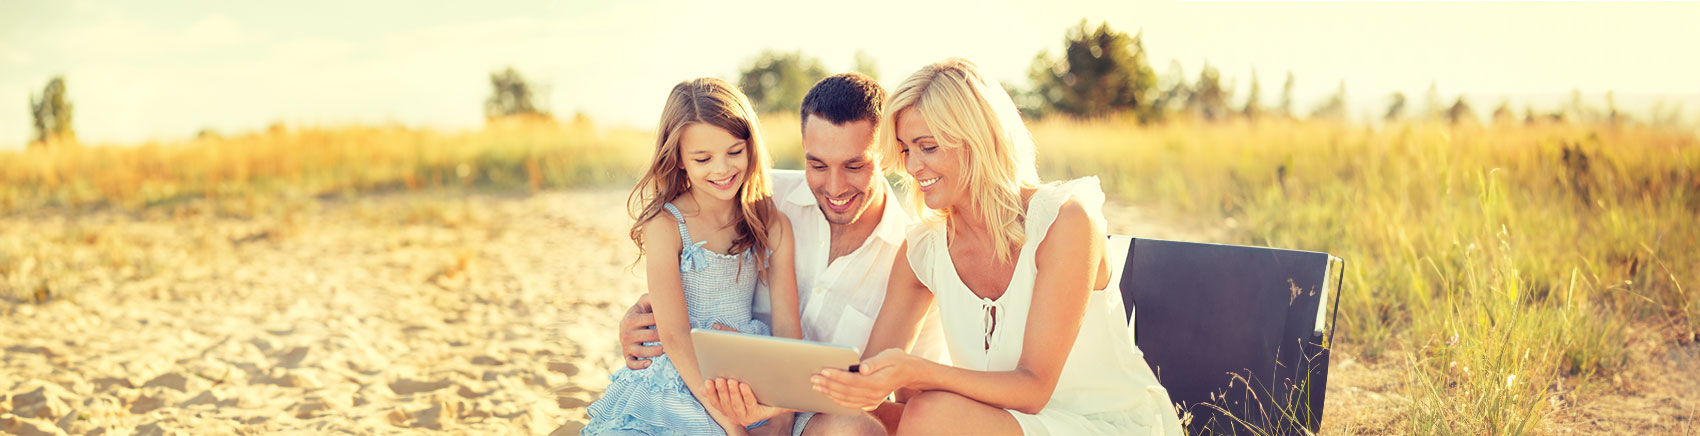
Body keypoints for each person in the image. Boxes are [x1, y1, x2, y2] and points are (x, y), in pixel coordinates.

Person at [810, 58, 1184, 435]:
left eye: (928, 147)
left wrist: (921, 373)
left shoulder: (1064, 222)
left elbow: (1034, 388)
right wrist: (779, 399)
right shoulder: (924, 248)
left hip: (1103, 424)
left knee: (927, 414)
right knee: (850, 424)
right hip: (1002, 424)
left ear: (977, 139)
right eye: (906, 150)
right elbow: (869, 386)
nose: (912, 166)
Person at [616, 72, 947, 436]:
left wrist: (781, 410)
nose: (834, 187)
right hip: (709, 385)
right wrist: (639, 320)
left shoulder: (915, 254)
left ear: (886, 155)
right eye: (817, 165)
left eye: (854, 166)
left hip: (809, 413)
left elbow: (902, 403)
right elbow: (687, 281)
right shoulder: (755, 197)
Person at [583, 77, 801, 436]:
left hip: (742, 370)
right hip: (680, 374)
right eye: (703, 158)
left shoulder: (771, 222)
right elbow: (675, 336)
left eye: (734, 152)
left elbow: (788, 328)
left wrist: (783, 415)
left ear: (751, 147)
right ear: (680, 160)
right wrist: (732, 427)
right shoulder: (667, 225)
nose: (722, 169)